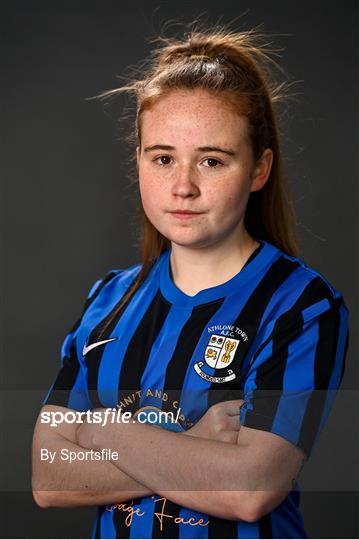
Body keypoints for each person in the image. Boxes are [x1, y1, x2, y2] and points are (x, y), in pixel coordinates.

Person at [31, 22, 349, 539]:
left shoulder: (301, 306)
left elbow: (247, 491)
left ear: (258, 169)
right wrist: (188, 440)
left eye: (212, 160)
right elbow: (47, 474)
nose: (183, 186)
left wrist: (95, 428)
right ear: (138, 162)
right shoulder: (109, 298)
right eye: (162, 158)